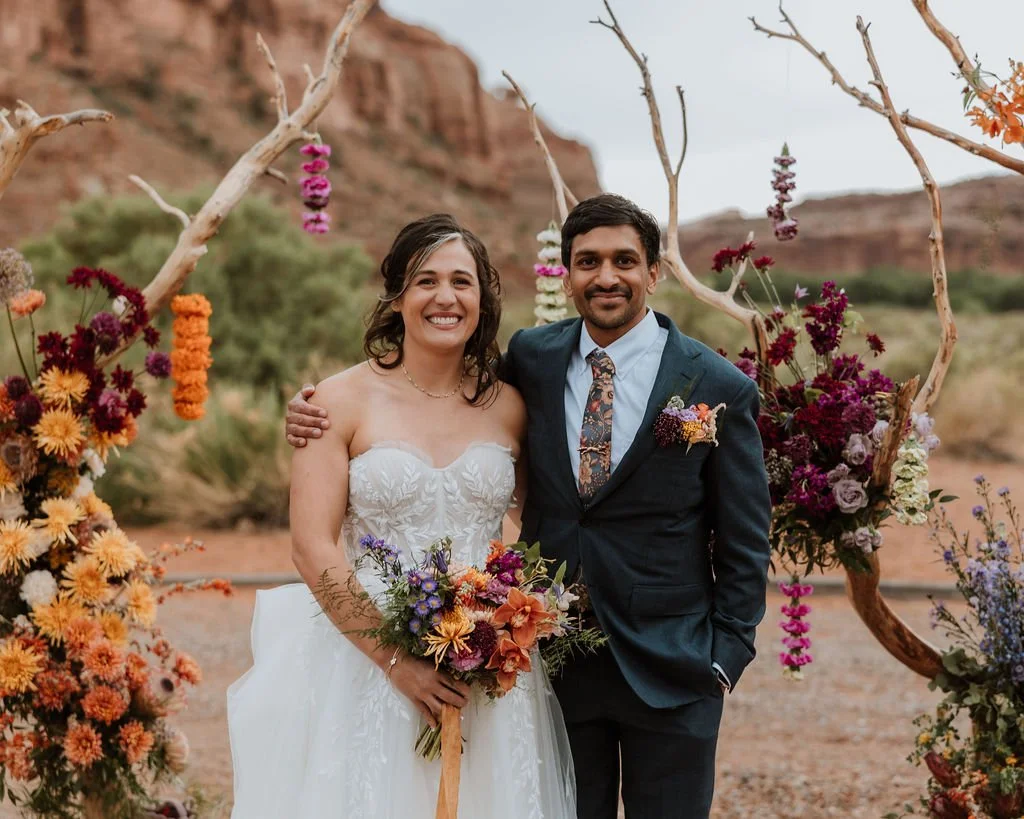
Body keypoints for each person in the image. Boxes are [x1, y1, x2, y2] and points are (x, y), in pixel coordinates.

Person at [287, 194, 773, 819]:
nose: (606, 276)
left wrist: (724, 659)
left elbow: (744, 539)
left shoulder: (717, 388)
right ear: (565, 275)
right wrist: (308, 416)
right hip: (550, 668)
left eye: (625, 260)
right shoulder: (532, 366)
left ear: (654, 272)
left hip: (674, 666)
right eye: (588, 261)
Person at [228, 214, 577, 818]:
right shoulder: (334, 402)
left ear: (482, 298)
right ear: (397, 297)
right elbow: (313, 546)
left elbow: (528, 525)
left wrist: (509, 612)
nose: (446, 298)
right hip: (366, 659)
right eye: (426, 281)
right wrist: (397, 663)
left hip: (486, 664)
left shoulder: (510, 406)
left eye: (462, 282)